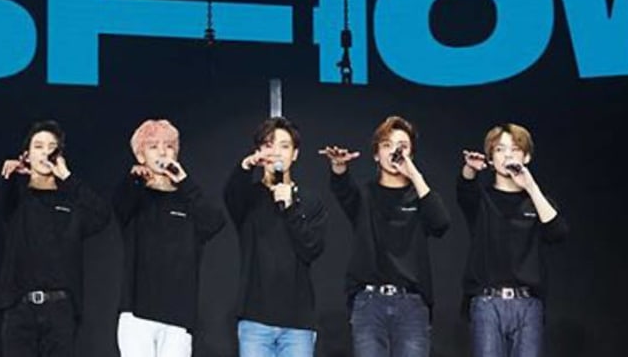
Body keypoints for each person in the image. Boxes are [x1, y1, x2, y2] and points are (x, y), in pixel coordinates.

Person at [320, 115, 450, 357]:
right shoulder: (365, 195)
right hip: (369, 302)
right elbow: (343, 189)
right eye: (387, 145)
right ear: (376, 154)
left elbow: (441, 223)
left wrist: (415, 176)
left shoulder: (420, 197)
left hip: (412, 303)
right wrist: (339, 168)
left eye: (402, 147)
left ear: (411, 154)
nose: (394, 152)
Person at [0, 120, 111, 357]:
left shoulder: (70, 202)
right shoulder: (19, 199)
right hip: (19, 311)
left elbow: (102, 215)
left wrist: (67, 177)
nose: (45, 152)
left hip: (60, 310)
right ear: (26, 155)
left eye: (51, 147)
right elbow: (4, 202)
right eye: (38, 146)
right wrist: (11, 176)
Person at [113, 119, 226, 357]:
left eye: (169, 146)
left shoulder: (188, 199)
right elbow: (119, 206)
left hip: (178, 317)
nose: (162, 152)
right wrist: (136, 181)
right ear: (140, 155)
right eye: (153, 146)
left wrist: (184, 182)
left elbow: (214, 222)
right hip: (137, 316)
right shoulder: (135, 195)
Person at [457, 123, 569, 357]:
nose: (507, 155)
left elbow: (558, 233)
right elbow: (465, 189)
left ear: (526, 157)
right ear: (491, 158)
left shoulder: (537, 201)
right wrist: (470, 169)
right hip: (487, 302)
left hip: (528, 304)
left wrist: (530, 186)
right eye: (499, 149)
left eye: (515, 149)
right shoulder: (482, 199)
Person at [224, 116, 327, 357]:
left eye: (284, 146)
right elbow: (230, 195)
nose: (276, 153)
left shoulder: (310, 201)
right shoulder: (249, 198)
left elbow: (312, 248)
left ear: (295, 154)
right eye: (269, 145)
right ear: (259, 151)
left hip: (298, 323)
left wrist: (290, 208)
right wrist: (246, 166)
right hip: (255, 321)